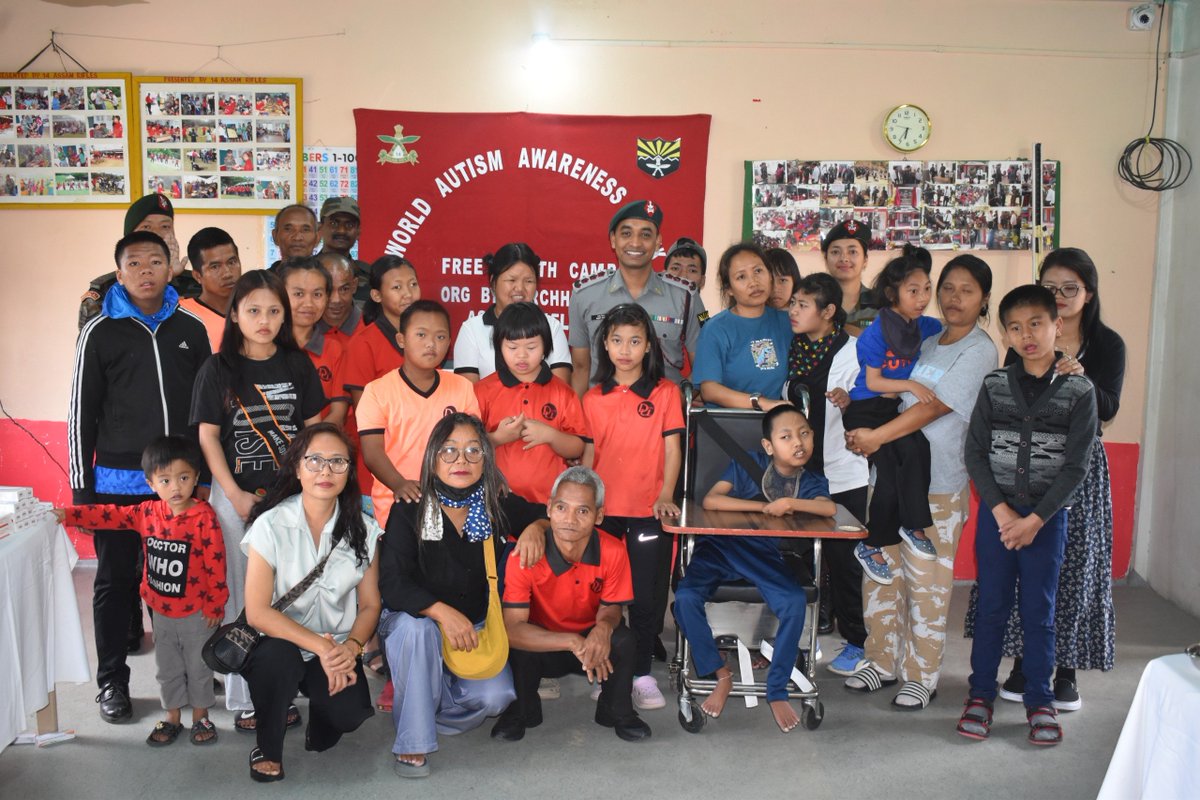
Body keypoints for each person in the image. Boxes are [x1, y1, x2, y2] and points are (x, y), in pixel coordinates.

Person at [969, 248, 1125, 712]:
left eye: (1069, 288)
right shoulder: (1012, 361)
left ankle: (1064, 674)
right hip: (1012, 479)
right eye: (1051, 286)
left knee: (1068, 574)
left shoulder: (1105, 344)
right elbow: (986, 438)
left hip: (1075, 473)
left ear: (1087, 294)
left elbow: (1108, 408)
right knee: (1011, 577)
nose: (1059, 296)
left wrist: (1080, 374)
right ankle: (1018, 668)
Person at [842, 254, 998, 710]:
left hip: (940, 485)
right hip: (889, 477)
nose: (952, 298)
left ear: (984, 298)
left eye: (966, 290)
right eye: (947, 287)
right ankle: (880, 661)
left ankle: (921, 674)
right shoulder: (926, 338)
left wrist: (874, 437)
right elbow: (887, 384)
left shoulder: (979, 350)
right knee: (882, 574)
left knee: (927, 584)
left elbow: (934, 407)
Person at [70, 231, 212, 723]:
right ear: (119, 270)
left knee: (172, 584)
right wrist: (80, 489)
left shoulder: (191, 329)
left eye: (157, 260)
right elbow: (80, 413)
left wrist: (206, 476)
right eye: (135, 262)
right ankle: (111, 682)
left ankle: (183, 683)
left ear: (172, 267)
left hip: (179, 486)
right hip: (118, 482)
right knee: (114, 582)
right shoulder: (100, 330)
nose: (146, 270)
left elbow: (206, 411)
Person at [956, 284, 1097, 746]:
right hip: (997, 519)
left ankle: (1040, 701)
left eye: (1036, 323)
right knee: (992, 607)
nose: (1027, 335)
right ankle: (980, 696)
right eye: (1014, 327)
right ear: (1005, 334)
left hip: (1046, 521)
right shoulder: (995, 385)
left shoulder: (1079, 390)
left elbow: (1076, 465)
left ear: (1058, 325)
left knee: (1040, 612)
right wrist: (1000, 511)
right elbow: (975, 452)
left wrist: (1034, 519)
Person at [377, 413, 550, 777]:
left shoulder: (495, 502)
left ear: (487, 458)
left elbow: (545, 514)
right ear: (433, 458)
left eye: (474, 451)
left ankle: (425, 703)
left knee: (496, 698)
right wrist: (440, 612)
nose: (462, 461)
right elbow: (392, 583)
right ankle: (414, 741)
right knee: (417, 630)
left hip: (475, 625)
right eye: (450, 451)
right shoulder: (410, 507)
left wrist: (536, 527)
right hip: (418, 622)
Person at [190, 269, 326, 731]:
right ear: (234, 314)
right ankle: (247, 700)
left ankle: (281, 690)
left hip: (294, 499)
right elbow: (208, 438)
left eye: (273, 310)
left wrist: (305, 492)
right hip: (238, 501)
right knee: (242, 597)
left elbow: (313, 434)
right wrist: (234, 495)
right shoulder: (218, 369)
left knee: (287, 595)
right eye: (253, 310)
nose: (264, 320)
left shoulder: (297, 363)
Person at [55, 436, 226, 746]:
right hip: (161, 614)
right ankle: (172, 716)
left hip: (196, 614)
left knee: (198, 667)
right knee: (168, 668)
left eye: (184, 478)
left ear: (196, 477)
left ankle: (201, 717)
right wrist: (69, 514)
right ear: (151, 483)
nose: (176, 487)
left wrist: (215, 606)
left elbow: (216, 566)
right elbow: (108, 515)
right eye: (165, 480)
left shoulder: (204, 517)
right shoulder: (146, 513)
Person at [674, 404, 834, 732]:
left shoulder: (812, 481)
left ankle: (776, 690)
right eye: (786, 436)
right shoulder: (749, 464)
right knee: (685, 599)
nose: (798, 442)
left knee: (792, 602)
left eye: (804, 434)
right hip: (718, 548)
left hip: (762, 556)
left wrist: (790, 503)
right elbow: (712, 501)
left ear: (813, 437)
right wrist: (765, 508)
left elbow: (827, 507)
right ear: (768, 445)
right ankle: (721, 674)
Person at [240, 423, 382, 781]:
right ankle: (267, 747)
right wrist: (320, 647)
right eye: (315, 460)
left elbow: (370, 606)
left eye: (338, 462)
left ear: (350, 472)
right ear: (297, 467)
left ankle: (322, 714)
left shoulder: (364, 530)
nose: (325, 471)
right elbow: (257, 612)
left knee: (348, 716)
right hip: (281, 640)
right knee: (277, 661)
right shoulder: (270, 525)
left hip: (336, 645)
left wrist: (350, 648)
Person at [494, 466, 651, 743]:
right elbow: (513, 629)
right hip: (547, 643)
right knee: (519, 646)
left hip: (592, 644)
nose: (570, 519)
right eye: (562, 508)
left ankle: (617, 711)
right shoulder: (527, 554)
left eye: (583, 511)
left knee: (624, 639)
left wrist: (603, 627)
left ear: (599, 516)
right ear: (550, 509)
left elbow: (612, 608)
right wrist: (571, 641)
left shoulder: (613, 550)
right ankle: (521, 710)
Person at [582, 303, 684, 710]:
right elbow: (588, 458)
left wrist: (665, 495)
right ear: (605, 345)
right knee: (603, 599)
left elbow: (672, 450)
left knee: (645, 599)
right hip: (605, 515)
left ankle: (641, 674)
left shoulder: (665, 393)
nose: (625, 349)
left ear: (648, 347)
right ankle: (607, 671)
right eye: (617, 340)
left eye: (635, 341)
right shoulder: (592, 398)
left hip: (648, 512)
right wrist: (586, 505)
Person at [782, 273, 870, 676]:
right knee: (794, 562)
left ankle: (856, 641)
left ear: (828, 311)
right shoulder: (793, 348)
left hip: (842, 473)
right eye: (793, 303)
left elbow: (873, 406)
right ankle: (792, 643)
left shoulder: (852, 352)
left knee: (845, 563)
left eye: (803, 304)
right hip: (798, 475)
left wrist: (850, 401)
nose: (794, 310)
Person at [357, 299, 479, 529]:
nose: (431, 344)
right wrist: (399, 484)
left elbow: (474, 445)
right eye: (421, 335)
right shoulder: (376, 391)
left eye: (440, 337)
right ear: (401, 339)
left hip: (453, 506)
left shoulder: (462, 387)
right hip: (398, 505)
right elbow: (372, 452)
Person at [568, 199, 705, 393]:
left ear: (658, 242)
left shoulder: (686, 297)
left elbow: (702, 367)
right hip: (602, 416)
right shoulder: (584, 295)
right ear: (613, 240)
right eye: (626, 233)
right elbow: (581, 369)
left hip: (664, 418)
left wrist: (678, 401)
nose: (635, 242)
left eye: (646, 235)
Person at [474, 302, 587, 504]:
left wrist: (550, 436)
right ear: (499, 347)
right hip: (494, 501)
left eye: (532, 347)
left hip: (549, 502)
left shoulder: (563, 392)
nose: (522, 355)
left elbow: (578, 447)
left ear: (546, 347)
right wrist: (498, 438)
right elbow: (467, 447)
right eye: (512, 347)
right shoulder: (483, 391)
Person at [692, 242, 793, 410]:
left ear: (769, 275)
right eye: (741, 277)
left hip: (777, 425)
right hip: (728, 425)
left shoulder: (787, 322)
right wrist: (760, 402)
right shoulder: (716, 329)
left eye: (758, 271)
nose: (753, 282)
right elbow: (709, 390)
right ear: (729, 289)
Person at [452, 242, 571, 384]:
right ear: (493, 282)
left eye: (528, 281)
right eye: (511, 280)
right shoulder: (471, 330)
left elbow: (560, 389)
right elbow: (469, 396)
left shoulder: (552, 326)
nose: (519, 288)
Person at [78, 194, 200, 331]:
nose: (157, 235)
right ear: (129, 237)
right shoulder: (104, 291)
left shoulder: (200, 284)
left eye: (165, 227)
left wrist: (167, 274)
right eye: (146, 227)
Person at [279, 256, 349, 429]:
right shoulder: (265, 346)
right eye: (298, 294)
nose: (308, 303)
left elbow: (337, 414)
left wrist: (306, 447)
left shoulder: (335, 349)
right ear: (279, 295)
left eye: (317, 294)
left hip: (317, 449)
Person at [343, 255, 421, 409]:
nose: (408, 294)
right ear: (376, 295)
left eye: (413, 284)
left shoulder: (424, 338)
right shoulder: (363, 343)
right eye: (397, 287)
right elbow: (364, 411)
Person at [181, 227, 241, 351]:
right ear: (197, 276)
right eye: (215, 267)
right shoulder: (181, 314)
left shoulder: (256, 311)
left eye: (232, 262)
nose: (227, 273)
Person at [821, 219, 879, 335]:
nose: (844, 258)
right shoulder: (814, 304)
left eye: (852, 252)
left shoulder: (881, 304)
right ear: (826, 259)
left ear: (865, 260)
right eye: (835, 252)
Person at [316, 196, 372, 307]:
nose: (341, 230)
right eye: (334, 223)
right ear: (320, 228)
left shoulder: (370, 276)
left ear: (358, 232)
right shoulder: (305, 271)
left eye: (349, 225)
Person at [315, 252, 363, 344]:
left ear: (354, 286)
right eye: (328, 290)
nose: (336, 299)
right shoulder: (302, 331)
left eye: (344, 289)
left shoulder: (374, 329)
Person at [267, 204, 319, 270]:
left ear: (317, 238)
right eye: (288, 229)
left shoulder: (329, 278)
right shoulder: (261, 280)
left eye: (305, 230)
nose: (297, 238)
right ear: (275, 236)